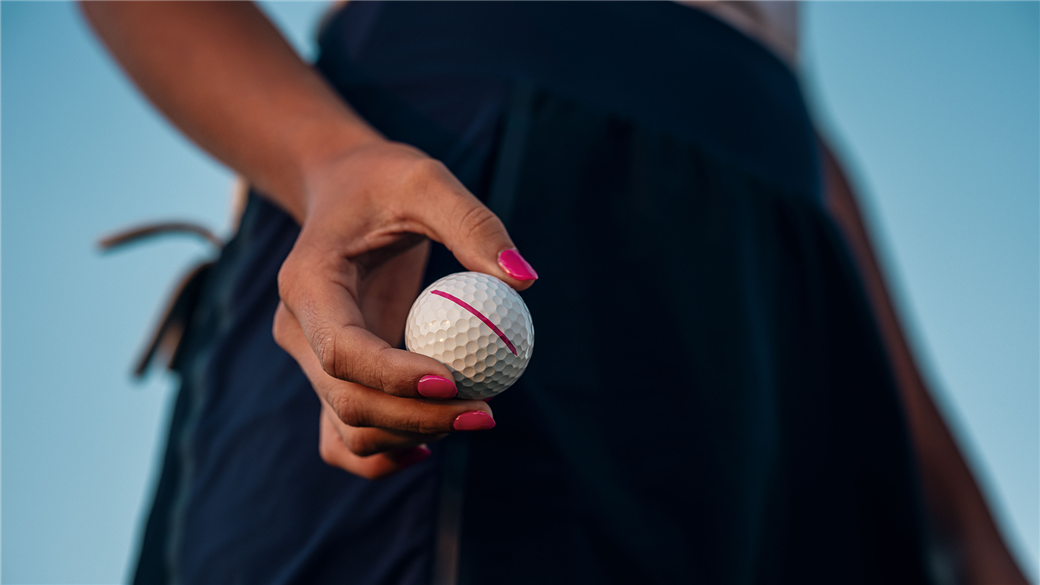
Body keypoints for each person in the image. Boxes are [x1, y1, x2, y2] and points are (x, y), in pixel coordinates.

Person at [81, 1, 1028, 583]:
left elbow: (805, 150)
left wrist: (973, 533)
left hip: (769, 268)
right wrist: (327, 160)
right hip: (450, 169)